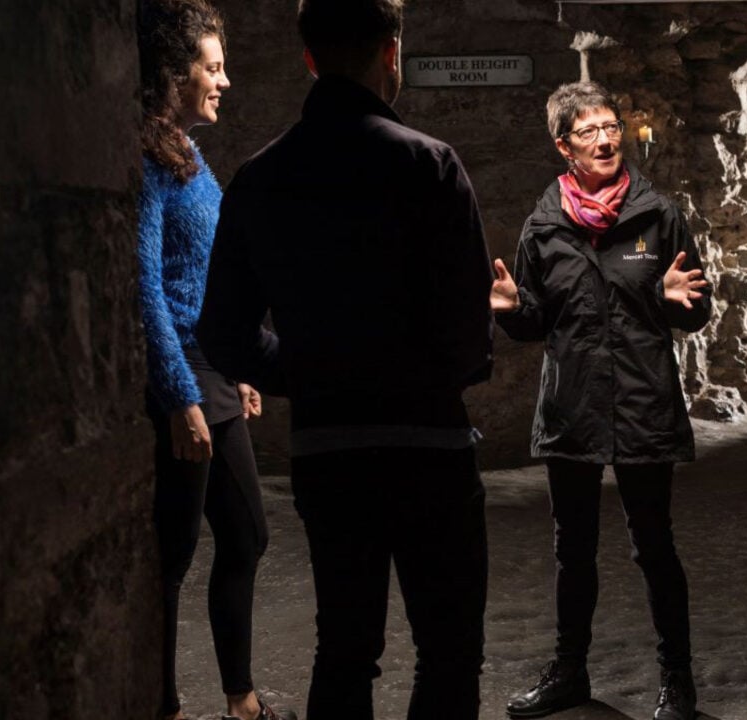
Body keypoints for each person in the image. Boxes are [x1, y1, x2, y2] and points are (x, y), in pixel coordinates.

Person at [194, 1, 494, 718]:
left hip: (330, 449)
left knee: (346, 650)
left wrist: (307, 370)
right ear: (390, 51)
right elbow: (470, 338)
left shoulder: (260, 178)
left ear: (308, 57)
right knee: (448, 650)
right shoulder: (430, 164)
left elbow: (224, 333)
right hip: (430, 446)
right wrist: (423, 372)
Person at [490, 81, 712, 720]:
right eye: (588, 132)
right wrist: (513, 312)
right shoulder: (542, 228)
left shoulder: (658, 214)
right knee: (572, 548)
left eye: (610, 126)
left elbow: (698, 312)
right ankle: (570, 673)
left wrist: (681, 300)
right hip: (573, 407)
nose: (606, 138)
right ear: (565, 147)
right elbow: (539, 320)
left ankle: (678, 681)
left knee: (655, 545)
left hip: (643, 403)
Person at [136, 2, 291, 718]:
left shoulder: (188, 156)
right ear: (176, 74)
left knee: (248, 535)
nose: (225, 80)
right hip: (187, 375)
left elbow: (206, 277)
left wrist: (239, 370)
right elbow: (148, 286)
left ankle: (241, 701)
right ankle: (163, 703)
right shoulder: (149, 161)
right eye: (213, 66)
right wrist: (181, 395)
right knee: (172, 555)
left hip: (215, 371)